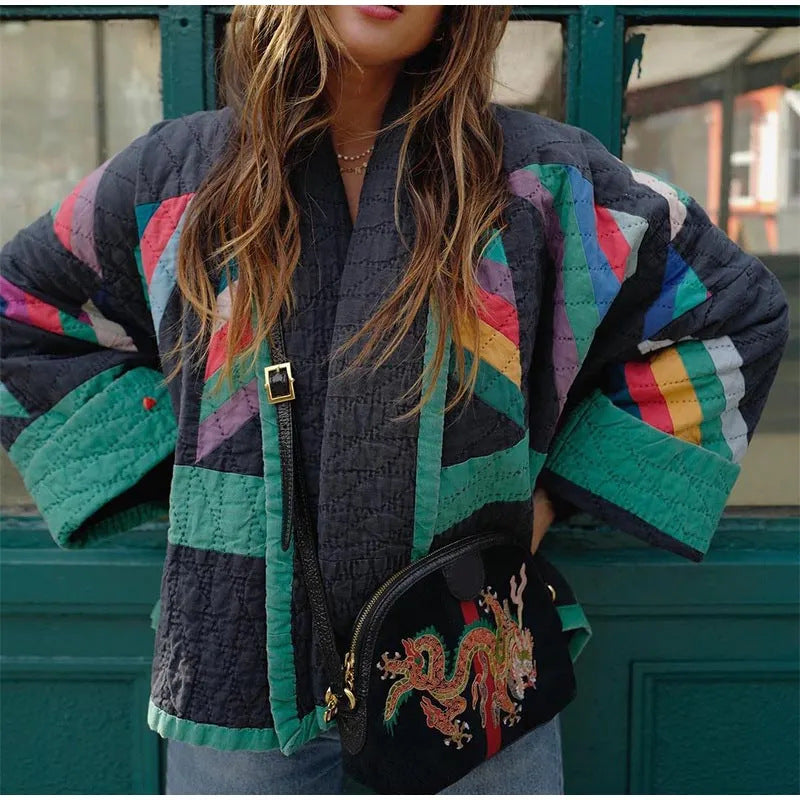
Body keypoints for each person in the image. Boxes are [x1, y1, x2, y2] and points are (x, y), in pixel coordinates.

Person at [0, 5, 788, 795]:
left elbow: (732, 310)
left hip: (471, 680)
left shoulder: (542, 180)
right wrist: (191, 472)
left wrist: (554, 496)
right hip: (235, 684)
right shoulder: (176, 178)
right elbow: (18, 312)